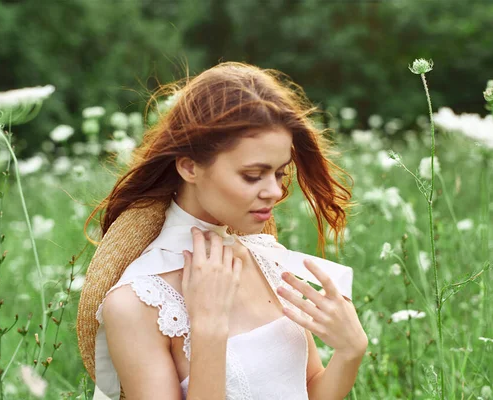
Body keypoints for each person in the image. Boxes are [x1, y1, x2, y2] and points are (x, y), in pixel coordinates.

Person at [76, 61, 368, 400]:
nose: (274, 191)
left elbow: (309, 390)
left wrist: (350, 351)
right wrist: (209, 330)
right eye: (252, 175)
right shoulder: (137, 302)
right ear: (189, 167)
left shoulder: (268, 259)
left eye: (279, 174)